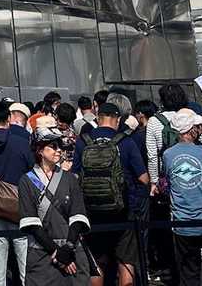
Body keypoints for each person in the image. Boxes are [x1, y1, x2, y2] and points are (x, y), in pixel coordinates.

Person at [73, 101, 145, 286]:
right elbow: (143, 178)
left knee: (96, 262)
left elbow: (75, 176)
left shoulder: (83, 141)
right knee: (125, 261)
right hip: (124, 211)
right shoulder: (126, 141)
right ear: (118, 119)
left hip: (92, 211)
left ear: (98, 119)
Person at [15, 125, 91, 286]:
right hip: (42, 255)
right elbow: (32, 224)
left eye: (60, 146)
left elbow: (78, 216)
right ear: (39, 150)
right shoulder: (26, 181)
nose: (59, 150)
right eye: (53, 146)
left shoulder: (70, 179)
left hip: (72, 252)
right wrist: (57, 252)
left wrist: (68, 248)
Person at [160, 112, 202, 286]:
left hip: (182, 223)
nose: (200, 129)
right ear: (191, 130)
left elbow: (168, 179)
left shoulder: (168, 155)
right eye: (198, 127)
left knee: (189, 275)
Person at [0, 102, 31, 286]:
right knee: (27, 269)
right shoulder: (21, 143)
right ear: (9, 119)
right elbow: (33, 174)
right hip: (21, 211)